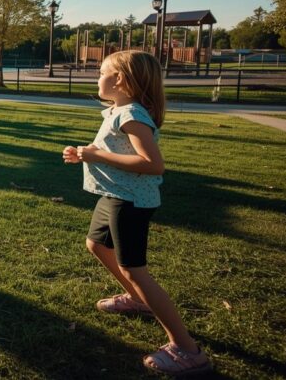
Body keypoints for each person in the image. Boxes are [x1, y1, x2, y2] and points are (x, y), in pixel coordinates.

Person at [62, 51, 210, 376]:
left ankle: (187, 349)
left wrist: (97, 155)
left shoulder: (131, 115)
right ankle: (136, 299)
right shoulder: (118, 110)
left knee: (134, 268)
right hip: (114, 194)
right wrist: (84, 155)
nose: (96, 77)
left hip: (130, 201)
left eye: (101, 72)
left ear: (120, 80)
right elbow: (116, 150)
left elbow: (152, 164)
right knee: (97, 245)